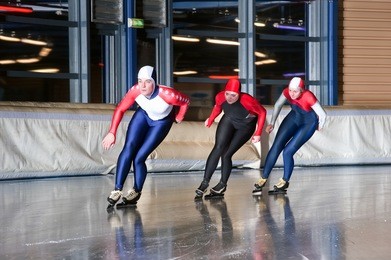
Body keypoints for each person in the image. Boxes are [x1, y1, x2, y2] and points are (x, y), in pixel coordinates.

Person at [102, 65, 190, 208]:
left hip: (162, 122)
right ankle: (117, 189)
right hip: (143, 115)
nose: (142, 85)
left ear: (154, 82)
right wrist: (112, 132)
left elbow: (186, 102)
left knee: (139, 157)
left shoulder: (168, 94)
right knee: (128, 148)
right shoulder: (135, 90)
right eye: (140, 80)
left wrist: (179, 116)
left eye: (147, 81)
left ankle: (136, 191)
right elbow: (120, 109)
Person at [252, 77, 327, 195]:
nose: (292, 94)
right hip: (294, 117)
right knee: (276, 146)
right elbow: (277, 105)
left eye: (295, 91)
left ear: (301, 90)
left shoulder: (308, 96)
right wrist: (272, 122)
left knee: (287, 152)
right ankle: (263, 178)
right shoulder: (287, 92)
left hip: (308, 123)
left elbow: (322, 114)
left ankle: (285, 181)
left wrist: (320, 125)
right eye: (290, 90)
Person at [195, 78, 267, 199]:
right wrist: (211, 118)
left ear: (239, 93)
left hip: (245, 126)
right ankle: (204, 183)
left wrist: (258, 133)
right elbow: (218, 107)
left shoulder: (247, 100)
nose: (229, 98)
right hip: (229, 119)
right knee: (218, 148)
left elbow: (262, 112)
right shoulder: (220, 96)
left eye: (233, 95)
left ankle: (222, 184)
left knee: (226, 154)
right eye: (227, 94)